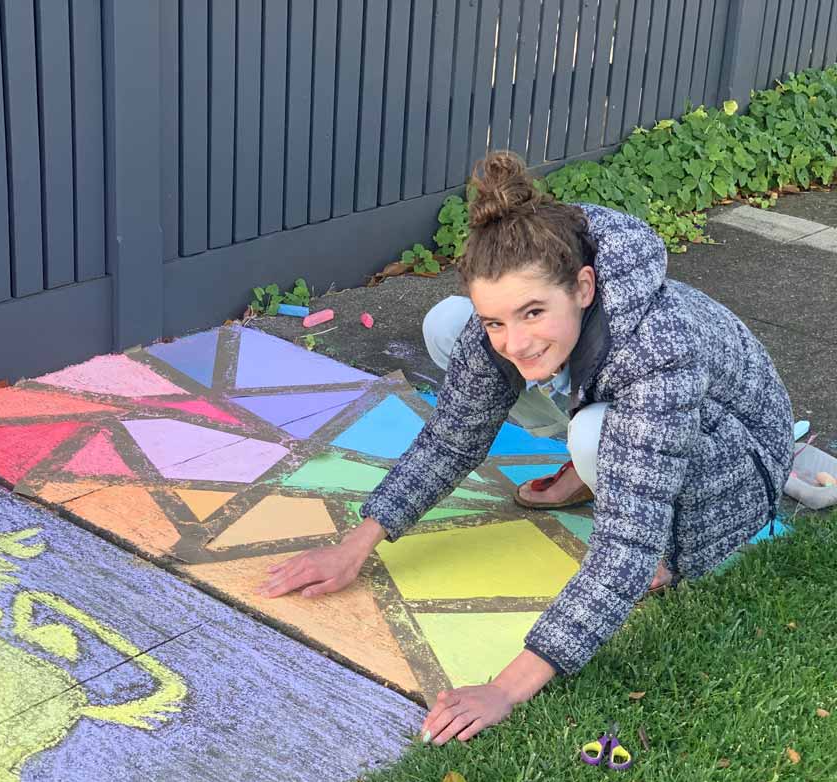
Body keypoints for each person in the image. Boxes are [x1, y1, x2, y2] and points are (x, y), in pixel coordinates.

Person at [261, 151, 794, 746]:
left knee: (600, 437)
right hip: (616, 397)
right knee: (449, 324)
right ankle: (592, 463)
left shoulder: (659, 352)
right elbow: (452, 437)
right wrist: (357, 545)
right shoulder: (522, 322)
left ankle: (656, 532)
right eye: (498, 320)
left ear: (584, 286)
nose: (514, 341)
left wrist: (506, 687)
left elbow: (625, 544)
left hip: (738, 462)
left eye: (533, 312)